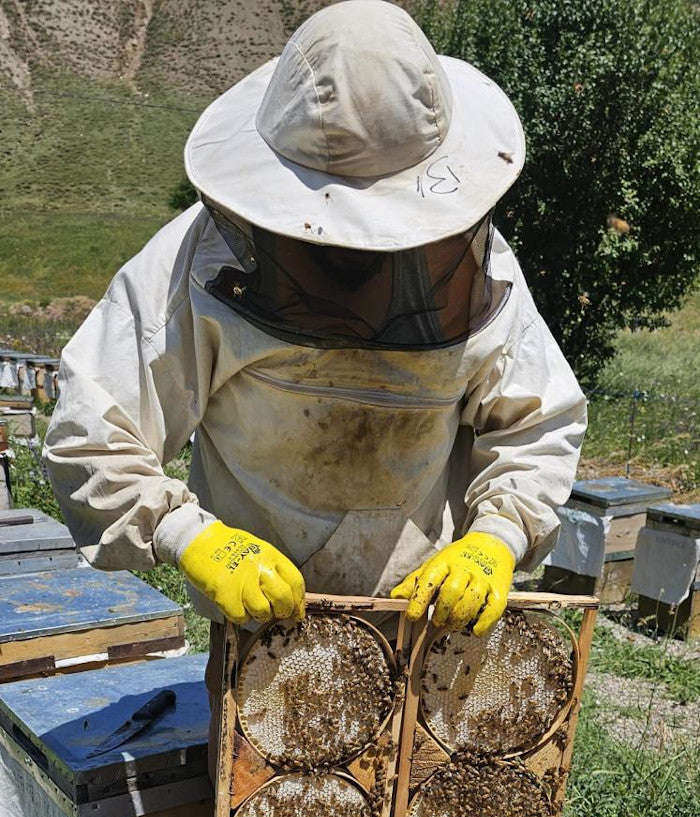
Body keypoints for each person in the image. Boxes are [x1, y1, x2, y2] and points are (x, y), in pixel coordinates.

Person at [44, 0, 586, 701]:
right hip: (260, 650)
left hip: (429, 635)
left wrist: (499, 536)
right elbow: (91, 430)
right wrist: (187, 535)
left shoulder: (476, 266)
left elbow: (537, 423)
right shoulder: (194, 260)